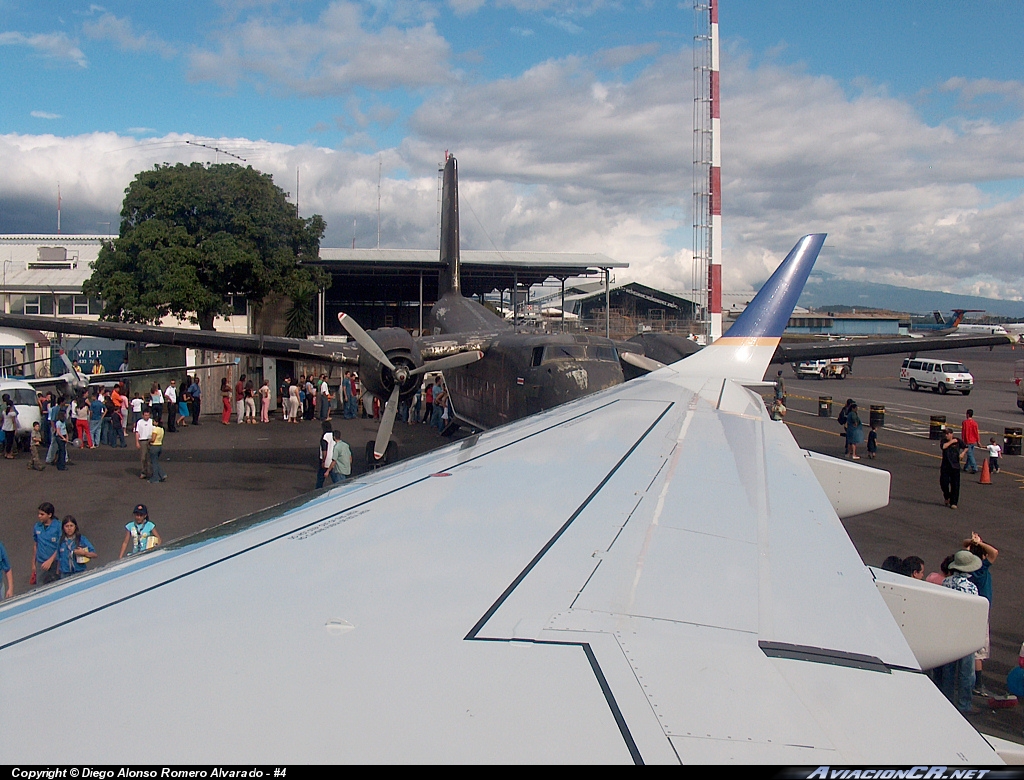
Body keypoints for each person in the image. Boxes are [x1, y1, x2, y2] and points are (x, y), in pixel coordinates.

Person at [937, 550, 983, 713]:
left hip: (948, 631)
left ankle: (946, 701)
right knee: (965, 673)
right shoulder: (971, 587)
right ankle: (964, 705)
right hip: (964, 633)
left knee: (948, 671)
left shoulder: (946, 582)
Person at [964, 532, 998, 697]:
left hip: (971, 609)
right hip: (982, 611)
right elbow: (994, 552)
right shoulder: (982, 569)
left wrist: (975, 543)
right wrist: (980, 544)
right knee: (979, 650)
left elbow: (964, 545)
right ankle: (978, 683)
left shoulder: (968, 569)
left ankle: (971, 680)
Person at [32, 502, 62, 586]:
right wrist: (33, 564)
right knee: (40, 588)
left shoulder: (58, 526)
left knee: (56, 586)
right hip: (41, 563)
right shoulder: (37, 526)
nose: (39, 516)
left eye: (42, 514)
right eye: (39, 514)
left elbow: (60, 546)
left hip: (55, 563)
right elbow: (36, 545)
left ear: (49, 515)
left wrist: (50, 561)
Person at [940, 427, 964, 509]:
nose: (946, 435)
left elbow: (966, 447)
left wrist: (963, 453)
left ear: (951, 434)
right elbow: (944, 446)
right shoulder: (943, 441)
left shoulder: (958, 441)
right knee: (944, 483)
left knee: (955, 485)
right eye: (945, 434)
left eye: (947, 434)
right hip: (945, 466)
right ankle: (947, 496)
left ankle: (954, 502)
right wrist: (952, 441)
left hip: (955, 466)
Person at [135, 408, 154, 480]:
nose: (147, 417)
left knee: (150, 457)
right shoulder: (139, 422)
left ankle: (151, 472)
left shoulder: (152, 421)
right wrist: (137, 442)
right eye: (145, 415)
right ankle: (143, 472)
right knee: (143, 457)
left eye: (148, 415)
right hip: (143, 440)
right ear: (142, 415)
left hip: (150, 440)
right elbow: (137, 432)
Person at [961, 409, 980, 474]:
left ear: (967, 414)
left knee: (970, 455)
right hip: (973, 440)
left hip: (967, 440)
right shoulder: (975, 423)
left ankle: (974, 467)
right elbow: (976, 433)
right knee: (970, 454)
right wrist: (978, 441)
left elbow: (963, 432)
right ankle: (966, 467)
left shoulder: (965, 422)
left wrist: (962, 441)